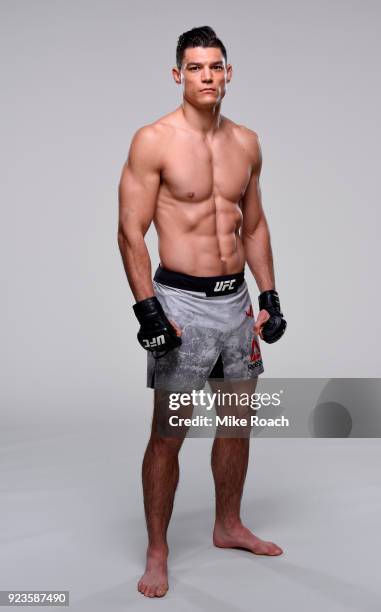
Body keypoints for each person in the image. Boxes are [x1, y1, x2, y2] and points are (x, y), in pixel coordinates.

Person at [117, 26, 287, 599]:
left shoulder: (246, 142)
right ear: (178, 75)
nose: (207, 77)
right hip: (181, 303)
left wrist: (270, 295)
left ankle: (228, 524)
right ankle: (158, 549)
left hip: (235, 305)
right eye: (195, 68)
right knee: (170, 432)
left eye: (215, 66)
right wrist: (149, 312)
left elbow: (254, 223)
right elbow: (129, 230)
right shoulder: (153, 141)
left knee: (237, 426)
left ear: (229, 73)